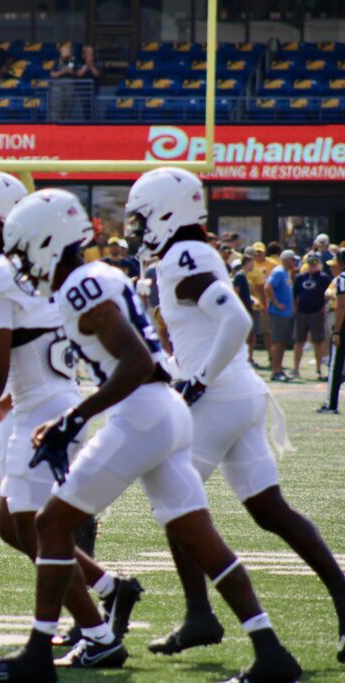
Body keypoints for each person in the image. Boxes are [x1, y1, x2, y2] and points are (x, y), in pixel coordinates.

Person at [0, 187, 302, 682]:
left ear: (45, 242)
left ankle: (38, 656)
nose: (19, 264)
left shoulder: (81, 285)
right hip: (165, 412)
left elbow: (136, 361)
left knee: (50, 525)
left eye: (22, 251)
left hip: (142, 413)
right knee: (200, 538)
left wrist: (72, 419)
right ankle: (271, 651)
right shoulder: (90, 278)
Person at [128, 168, 345, 665]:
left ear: (166, 212)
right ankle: (341, 595)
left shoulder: (184, 255)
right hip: (240, 392)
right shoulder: (185, 255)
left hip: (220, 396)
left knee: (176, 505)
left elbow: (236, 318)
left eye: (143, 219)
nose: (139, 230)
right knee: (270, 511)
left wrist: (198, 379)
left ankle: (202, 614)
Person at [0, 173, 139, 658]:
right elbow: (25, 349)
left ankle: (89, 633)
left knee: (38, 527)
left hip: (40, 409)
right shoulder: (16, 269)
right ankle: (104, 604)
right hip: (38, 403)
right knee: (16, 525)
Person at [293, 253, 333, 380]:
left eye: (315, 264)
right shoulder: (300, 278)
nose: (313, 267)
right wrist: (295, 309)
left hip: (316, 312)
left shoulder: (324, 278)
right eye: (311, 264)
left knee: (317, 341)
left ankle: (318, 369)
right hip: (302, 312)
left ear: (319, 265)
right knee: (299, 341)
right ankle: (295, 369)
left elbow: (328, 294)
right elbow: (295, 295)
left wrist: (323, 308)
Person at [319, 249, 345, 414]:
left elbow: (342, 306)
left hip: (344, 325)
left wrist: (337, 331)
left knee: (335, 365)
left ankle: (331, 404)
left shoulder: (342, 278)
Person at [265, 249, 297, 381]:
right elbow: (267, 287)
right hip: (279, 313)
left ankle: (279, 369)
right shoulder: (278, 272)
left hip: (286, 313)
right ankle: (275, 371)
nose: (294, 262)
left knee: (283, 342)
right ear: (286, 259)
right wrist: (276, 303)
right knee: (278, 342)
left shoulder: (286, 273)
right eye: (293, 259)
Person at [232, 254, 258, 366]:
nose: (253, 265)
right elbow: (235, 293)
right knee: (246, 337)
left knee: (251, 337)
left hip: (248, 309)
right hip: (243, 311)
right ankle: (244, 359)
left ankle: (249, 358)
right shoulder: (239, 276)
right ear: (246, 263)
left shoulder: (244, 276)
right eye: (252, 263)